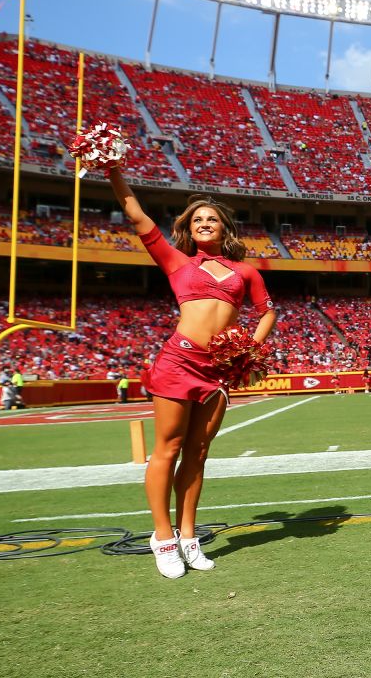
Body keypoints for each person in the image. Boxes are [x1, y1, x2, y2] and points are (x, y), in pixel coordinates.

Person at [97, 165, 276, 579]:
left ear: (224, 227)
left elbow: (267, 311)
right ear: (188, 229)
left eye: (211, 218)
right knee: (169, 448)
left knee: (198, 454)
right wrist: (112, 172)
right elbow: (138, 215)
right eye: (197, 219)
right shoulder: (175, 260)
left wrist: (249, 346)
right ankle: (162, 538)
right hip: (179, 362)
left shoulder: (244, 272)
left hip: (217, 372)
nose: (204, 223)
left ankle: (189, 537)